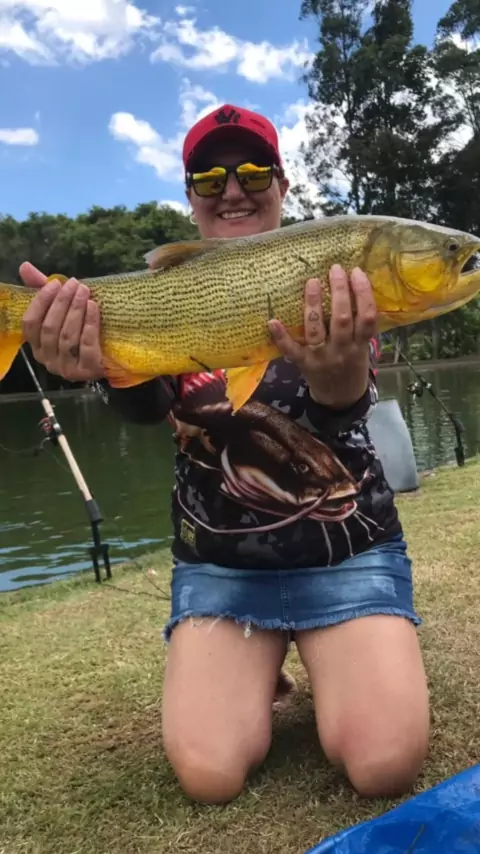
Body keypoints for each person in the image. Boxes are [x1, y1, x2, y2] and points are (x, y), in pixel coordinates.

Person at [19, 104, 430, 805]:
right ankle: (256, 668)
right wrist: (97, 367)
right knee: (210, 776)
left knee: (384, 765)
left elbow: (343, 407)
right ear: (190, 197)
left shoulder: (338, 275)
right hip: (220, 564)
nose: (232, 190)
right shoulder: (170, 290)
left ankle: (319, 652)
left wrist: (337, 378)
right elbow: (147, 408)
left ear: (283, 184)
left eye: (253, 173)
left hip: (348, 551)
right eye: (210, 179)